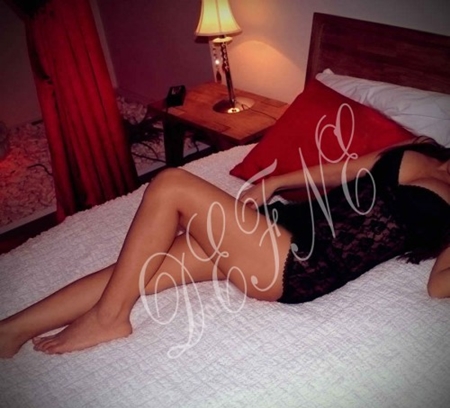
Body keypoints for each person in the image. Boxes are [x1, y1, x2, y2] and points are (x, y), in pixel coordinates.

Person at [1, 140, 450, 358]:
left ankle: (109, 318)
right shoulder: (424, 151)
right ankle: (11, 331)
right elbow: (342, 171)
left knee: (171, 184)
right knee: (138, 270)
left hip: (300, 263)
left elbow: (437, 286)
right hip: (278, 227)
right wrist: (275, 181)